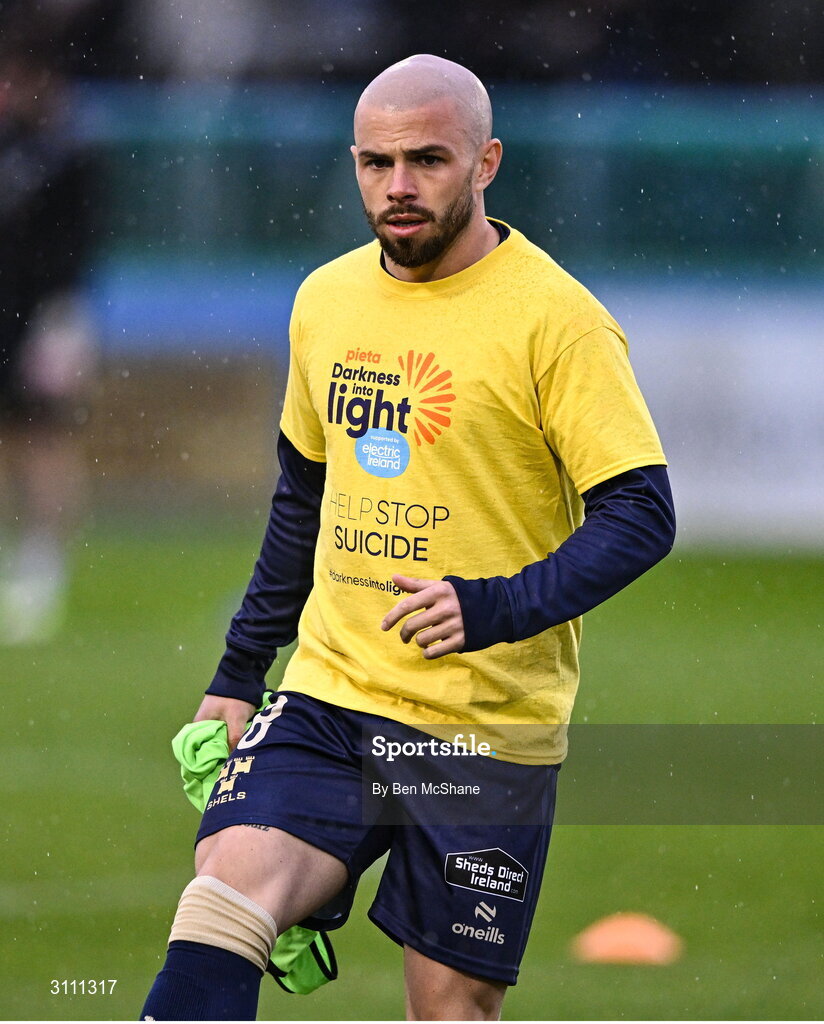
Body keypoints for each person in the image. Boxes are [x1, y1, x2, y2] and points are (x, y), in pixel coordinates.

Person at [141, 54, 675, 1021]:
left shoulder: (559, 323)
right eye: (374, 162)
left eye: (427, 159)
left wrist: (493, 605)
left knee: (447, 1008)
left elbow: (643, 515)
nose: (397, 187)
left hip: (481, 729)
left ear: (486, 163)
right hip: (332, 693)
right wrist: (236, 672)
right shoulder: (326, 301)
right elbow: (301, 499)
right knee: (220, 900)